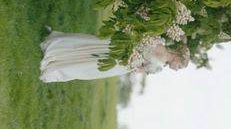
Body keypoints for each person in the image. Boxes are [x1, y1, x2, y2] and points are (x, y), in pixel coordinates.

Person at [39, 30, 190, 82]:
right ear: (178, 58)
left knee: (89, 46)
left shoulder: (160, 42)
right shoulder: (158, 67)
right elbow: (137, 70)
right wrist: (136, 64)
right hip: (122, 62)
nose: (176, 69)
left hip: (121, 46)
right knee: (91, 67)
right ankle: (56, 66)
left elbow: (142, 39)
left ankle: (57, 49)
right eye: (179, 66)